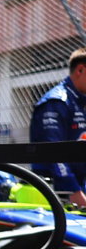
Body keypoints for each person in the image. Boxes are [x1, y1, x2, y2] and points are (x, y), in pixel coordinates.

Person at [28, 47, 86, 208]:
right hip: (54, 193)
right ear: (80, 70)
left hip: (77, 188)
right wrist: (73, 191)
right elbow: (54, 152)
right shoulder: (56, 102)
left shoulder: (79, 103)